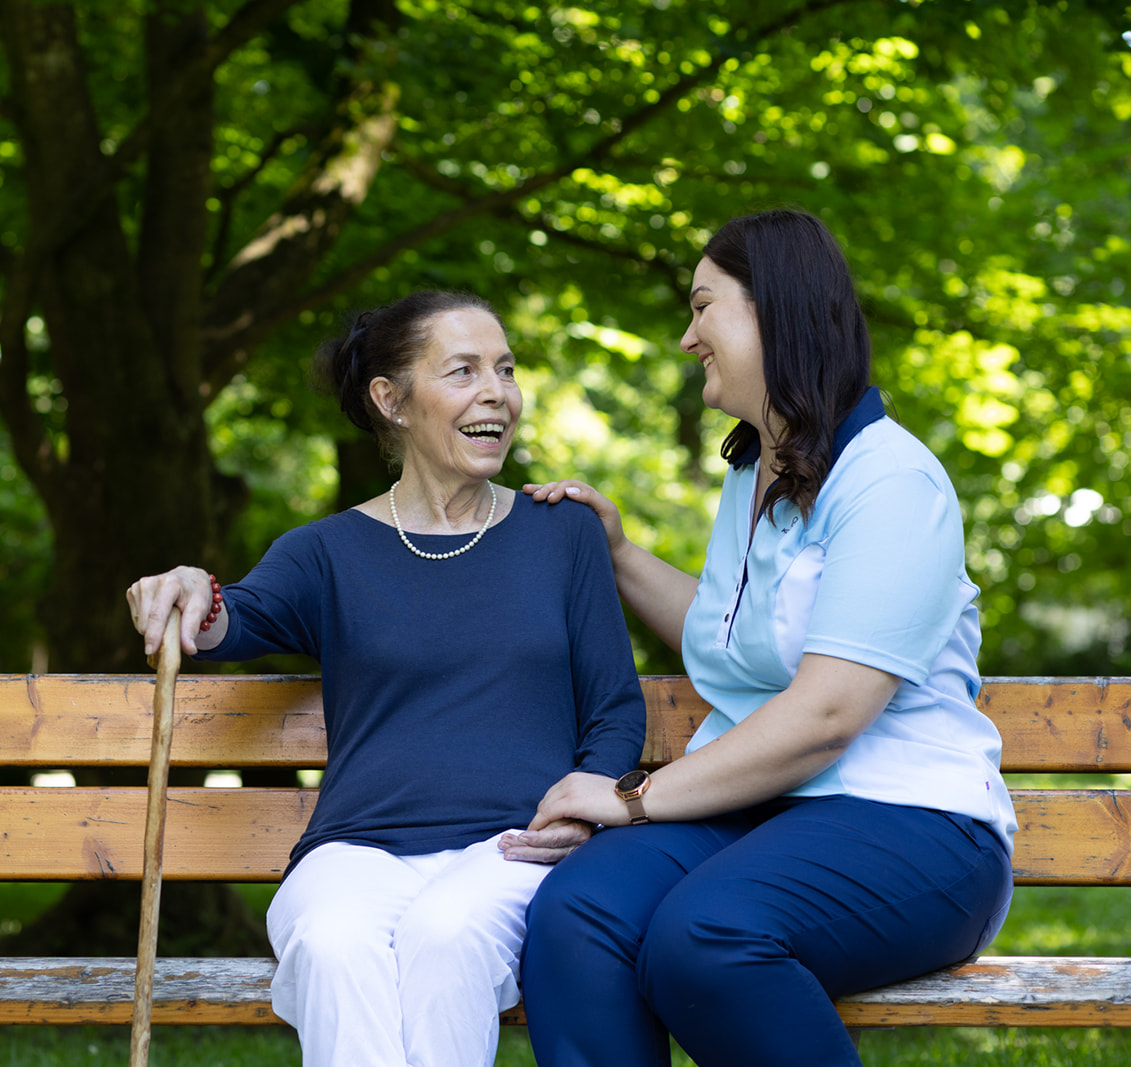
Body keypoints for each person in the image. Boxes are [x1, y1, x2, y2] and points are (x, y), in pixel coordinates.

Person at [502, 210, 1017, 1067]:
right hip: (755, 811)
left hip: (915, 825)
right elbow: (729, 635)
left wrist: (630, 799)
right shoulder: (753, 473)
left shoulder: (892, 480)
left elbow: (827, 713)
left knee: (704, 936)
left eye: (704, 308)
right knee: (575, 916)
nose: (686, 336)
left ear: (773, 311)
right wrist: (619, 554)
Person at [126, 290, 646, 1067]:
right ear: (391, 400)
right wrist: (184, 586)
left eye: (506, 369)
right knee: (334, 942)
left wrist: (586, 806)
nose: (496, 393)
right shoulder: (325, 551)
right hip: (354, 852)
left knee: (445, 933)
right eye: (464, 371)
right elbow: (228, 619)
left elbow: (613, 708)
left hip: (510, 849)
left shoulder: (562, 533)